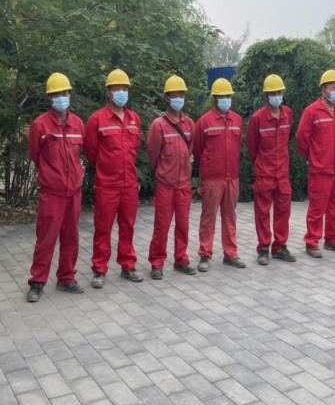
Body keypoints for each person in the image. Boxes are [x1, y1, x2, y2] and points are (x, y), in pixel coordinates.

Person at [26, 73, 85, 302]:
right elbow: (35, 155)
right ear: (50, 97)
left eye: (65, 93)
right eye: (56, 94)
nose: (61, 97)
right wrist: (52, 176)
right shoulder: (40, 125)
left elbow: (81, 154)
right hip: (52, 192)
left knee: (71, 236)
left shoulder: (78, 123)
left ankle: (66, 278)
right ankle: (37, 282)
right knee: (46, 237)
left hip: (74, 192)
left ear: (70, 94)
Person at [83, 69, 143, 288]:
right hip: (107, 184)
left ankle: (128, 265)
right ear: (108, 92)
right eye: (117, 88)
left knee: (128, 225)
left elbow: (135, 147)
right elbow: (91, 151)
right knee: (103, 227)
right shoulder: (97, 119)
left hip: (129, 184)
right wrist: (106, 169)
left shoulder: (134, 119)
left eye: (124, 88)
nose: (121, 92)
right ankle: (99, 269)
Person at [146, 75, 197, 279]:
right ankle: (157, 262)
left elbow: (190, 151)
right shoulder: (158, 125)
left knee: (183, 225)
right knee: (162, 226)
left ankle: (181, 259)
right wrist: (162, 173)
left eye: (181, 94)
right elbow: (152, 154)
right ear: (167, 98)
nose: (178, 98)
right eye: (174, 94)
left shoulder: (189, 124)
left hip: (184, 185)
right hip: (165, 185)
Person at [295, 69, 335, 258]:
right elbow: (302, 139)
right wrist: (313, 158)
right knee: (317, 207)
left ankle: (333, 239)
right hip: (320, 169)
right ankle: (312, 242)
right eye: (333, 88)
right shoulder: (311, 111)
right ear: (323, 90)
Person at [192, 78, 243, 271]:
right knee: (209, 217)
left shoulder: (237, 120)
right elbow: (197, 150)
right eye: (222, 96)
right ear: (215, 98)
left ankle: (231, 254)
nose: (225, 99)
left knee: (230, 216)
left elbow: (238, 147)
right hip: (212, 178)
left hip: (232, 177)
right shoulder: (204, 121)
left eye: (228, 96)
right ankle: (205, 255)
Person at [247, 74, 296, 265]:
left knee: (284, 211)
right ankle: (264, 248)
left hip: (282, 173)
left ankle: (280, 247)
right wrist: (261, 165)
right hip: (264, 174)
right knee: (262, 212)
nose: (276, 95)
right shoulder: (257, 118)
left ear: (282, 93)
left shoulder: (288, 114)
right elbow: (252, 146)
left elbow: (288, 139)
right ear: (266, 95)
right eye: (272, 93)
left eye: (278, 92)